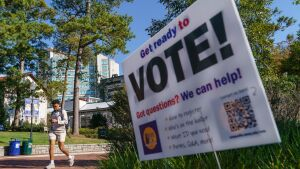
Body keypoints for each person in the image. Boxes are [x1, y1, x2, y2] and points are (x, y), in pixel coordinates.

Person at [45, 100, 74, 169]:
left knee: (61, 148)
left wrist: (57, 121)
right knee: (51, 146)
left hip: (61, 132)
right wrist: (51, 121)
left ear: (59, 105)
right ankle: (52, 163)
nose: (54, 107)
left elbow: (66, 121)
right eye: (53, 106)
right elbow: (53, 122)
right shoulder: (52, 113)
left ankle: (70, 157)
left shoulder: (63, 112)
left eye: (55, 106)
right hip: (53, 131)